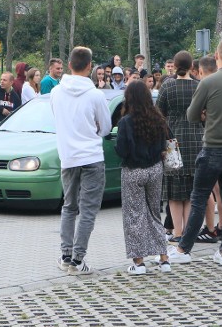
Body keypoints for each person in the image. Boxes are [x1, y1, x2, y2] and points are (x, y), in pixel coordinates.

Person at [168, 38, 222, 267]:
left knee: (199, 198)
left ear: (216, 56)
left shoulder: (209, 82)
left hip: (214, 146)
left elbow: (192, 115)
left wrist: (206, 114)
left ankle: (184, 249)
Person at [52, 46, 112, 275]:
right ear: (90, 67)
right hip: (92, 156)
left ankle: (66, 255)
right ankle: (78, 260)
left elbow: (57, 119)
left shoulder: (57, 92)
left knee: (69, 207)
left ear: (69, 65)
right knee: (87, 210)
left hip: (67, 156)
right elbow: (105, 128)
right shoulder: (96, 95)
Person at [115, 80, 170, 274]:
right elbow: (164, 146)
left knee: (134, 216)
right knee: (154, 212)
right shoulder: (158, 119)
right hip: (155, 169)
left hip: (133, 171)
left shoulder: (126, 122)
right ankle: (164, 259)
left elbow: (121, 150)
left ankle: (138, 263)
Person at [156, 51, 204, 243]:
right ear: (192, 65)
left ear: (174, 66)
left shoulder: (167, 86)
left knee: (174, 191)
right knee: (192, 189)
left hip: (172, 141)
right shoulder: (198, 86)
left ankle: (177, 232)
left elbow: (159, 114)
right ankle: (189, 233)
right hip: (196, 139)